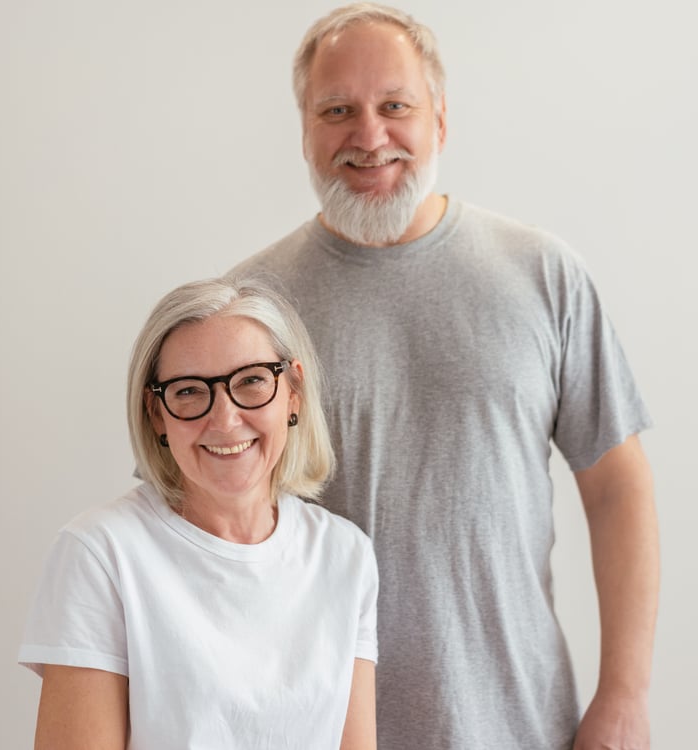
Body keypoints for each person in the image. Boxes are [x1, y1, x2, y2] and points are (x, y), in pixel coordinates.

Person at [229, 4, 659, 749]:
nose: (369, 137)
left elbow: (619, 488)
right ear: (304, 127)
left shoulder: (541, 275)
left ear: (440, 120)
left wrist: (624, 694)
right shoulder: (247, 310)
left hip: (520, 725)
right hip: (311, 731)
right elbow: (192, 536)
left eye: (395, 106)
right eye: (338, 111)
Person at [18, 277, 379, 750]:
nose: (225, 418)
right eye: (188, 391)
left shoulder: (344, 554)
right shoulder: (100, 554)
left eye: (251, 381)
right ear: (156, 414)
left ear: (293, 392)